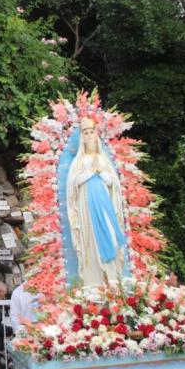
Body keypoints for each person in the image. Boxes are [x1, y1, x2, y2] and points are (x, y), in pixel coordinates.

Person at [66, 117, 127, 286]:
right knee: (91, 238)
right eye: (86, 133)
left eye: (92, 132)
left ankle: (113, 276)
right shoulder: (79, 160)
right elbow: (73, 183)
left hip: (104, 203)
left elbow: (112, 182)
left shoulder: (103, 159)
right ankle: (96, 278)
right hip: (87, 205)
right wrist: (91, 172)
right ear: (82, 138)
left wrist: (101, 173)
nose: (90, 136)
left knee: (111, 234)